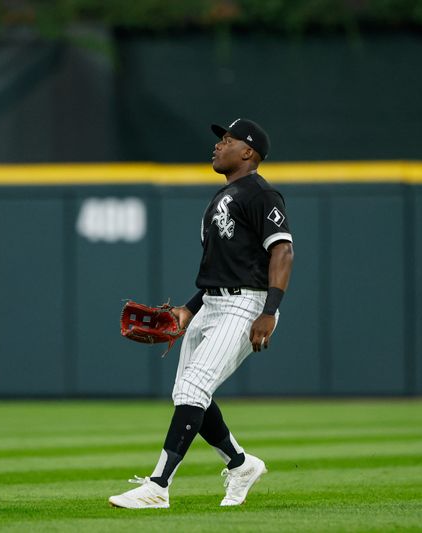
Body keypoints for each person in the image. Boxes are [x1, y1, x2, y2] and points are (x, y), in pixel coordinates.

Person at [109, 118, 294, 509]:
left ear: (248, 152)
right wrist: (188, 311)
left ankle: (158, 486)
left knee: (194, 389)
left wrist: (270, 311)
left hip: (247, 305)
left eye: (227, 140)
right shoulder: (222, 196)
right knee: (189, 394)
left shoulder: (262, 194)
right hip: (212, 303)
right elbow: (222, 270)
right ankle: (240, 464)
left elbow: (282, 251)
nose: (218, 145)